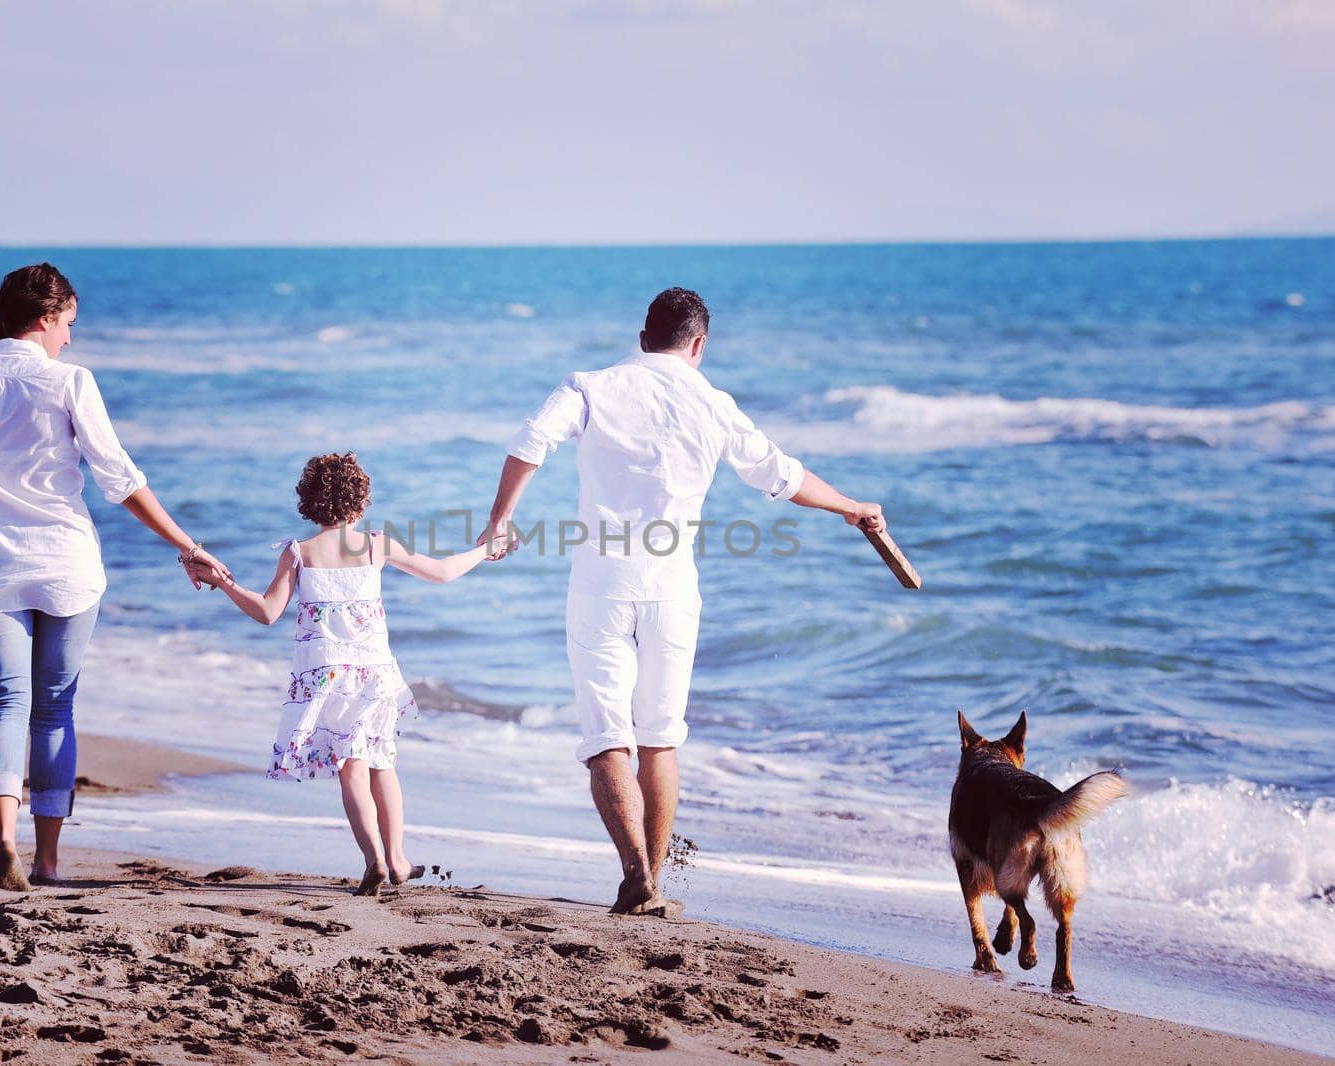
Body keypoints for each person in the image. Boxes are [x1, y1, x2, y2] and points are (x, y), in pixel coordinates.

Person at [481, 287, 886, 915]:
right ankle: (656, 885)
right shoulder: (713, 402)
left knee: (607, 737)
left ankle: (636, 875)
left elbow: (531, 442)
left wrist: (500, 520)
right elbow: (783, 476)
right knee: (660, 740)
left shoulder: (590, 385)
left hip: (601, 583)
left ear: (644, 336)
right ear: (698, 345)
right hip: (673, 589)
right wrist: (852, 507)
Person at [0, 262, 231, 893]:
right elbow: (120, 478)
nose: (69, 337)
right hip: (66, 564)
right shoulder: (70, 380)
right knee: (54, 710)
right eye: (68, 324)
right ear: (45, 318)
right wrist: (188, 545)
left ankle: (3, 842)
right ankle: (46, 862)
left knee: (4, 707)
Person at [190, 452, 493, 896]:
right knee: (382, 761)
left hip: (323, 675)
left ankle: (374, 859)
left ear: (308, 501)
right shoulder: (375, 544)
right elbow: (443, 573)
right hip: (374, 672)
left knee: (350, 765)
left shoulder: (299, 552)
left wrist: (225, 584)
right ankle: (398, 859)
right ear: (361, 501)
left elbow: (268, 613)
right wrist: (485, 548)